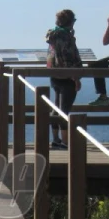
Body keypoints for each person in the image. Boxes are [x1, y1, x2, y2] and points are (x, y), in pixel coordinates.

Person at [44, 9, 82, 149]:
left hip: (55, 75)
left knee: (56, 108)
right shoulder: (65, 37)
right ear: (70, 22)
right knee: (64, 110)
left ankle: (56, 139)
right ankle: (65, 143)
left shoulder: (53, 34)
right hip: (67, 76)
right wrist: (76, 78)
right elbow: (68, 58)